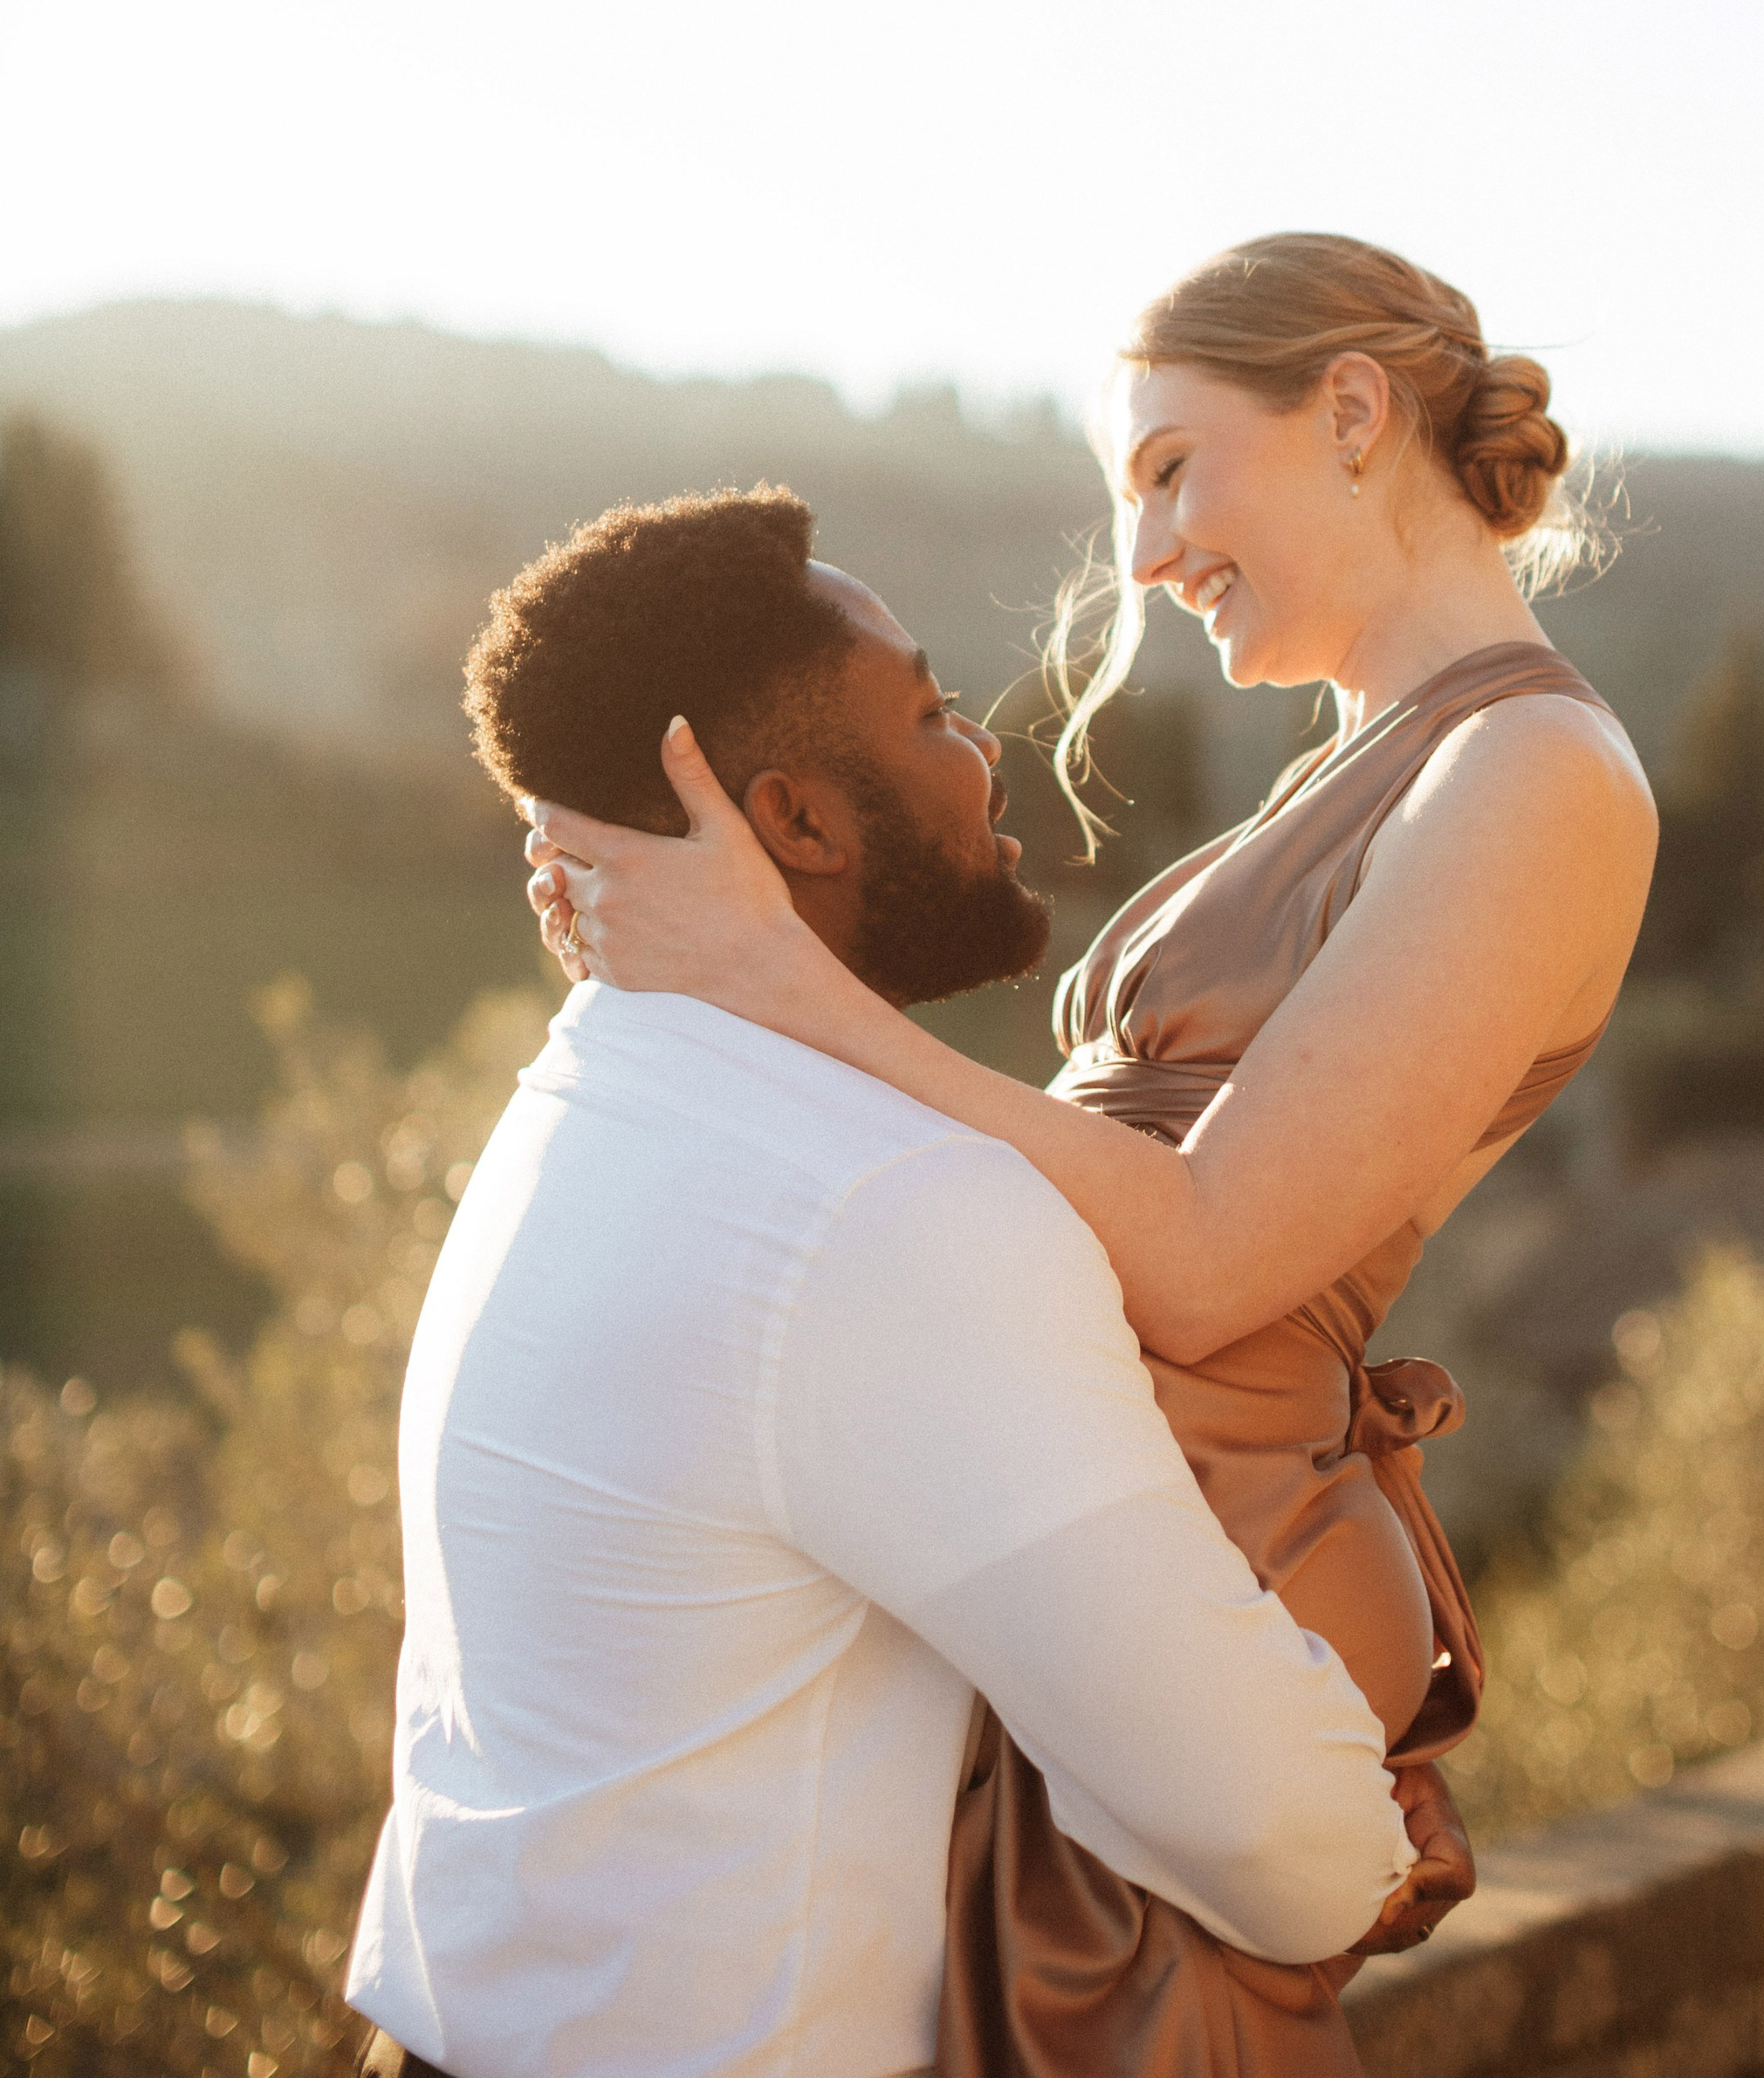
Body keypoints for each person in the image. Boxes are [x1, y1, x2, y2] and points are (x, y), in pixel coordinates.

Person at [527, 234, 1659, 2078]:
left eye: (1165, 469)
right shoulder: (1364, 760)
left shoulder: (1536, 777)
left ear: (1352, 416)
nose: (1142, 556)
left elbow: (1214, 1253)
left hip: (1207, 1550)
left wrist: (769, 977)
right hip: (1076, 1511)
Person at [347, 484, 1466, 2078]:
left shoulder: (581, 1106)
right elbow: (1263, 1835)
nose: (987, 743)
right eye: (935, 709)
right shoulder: (885, 1215)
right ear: (797, 821)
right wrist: (1375, 1841)